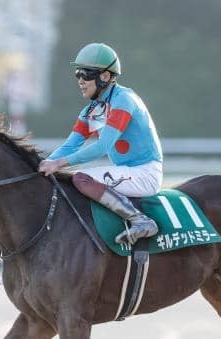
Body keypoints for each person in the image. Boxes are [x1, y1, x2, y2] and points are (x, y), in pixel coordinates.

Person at [39, 43, 163, 246]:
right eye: (77, 74)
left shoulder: (124, 100)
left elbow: (103, 147)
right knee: (67, 179)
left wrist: (59, 163)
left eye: (85, 74)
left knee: (81, 178)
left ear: (105, 76)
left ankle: (141, 220)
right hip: (126, 172)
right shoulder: (91, 110)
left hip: (145, 173)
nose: (80, 80)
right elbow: (70, 146)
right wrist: (43, 164)